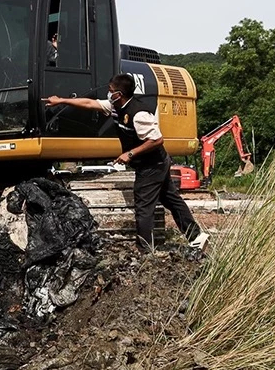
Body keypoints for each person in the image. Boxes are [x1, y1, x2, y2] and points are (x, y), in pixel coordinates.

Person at [43, 73, 209, 252]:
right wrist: (61, 101)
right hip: (149, 164)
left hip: (153, 165)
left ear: (119, 94)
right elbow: (90, 104)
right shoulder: (115, 107)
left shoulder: (139, 114)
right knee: (171, 199)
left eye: (111, 90)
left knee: (143, 207)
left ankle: (145, 251)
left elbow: (157, 139)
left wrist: (129, 154)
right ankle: (197, 236)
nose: (108, 93)